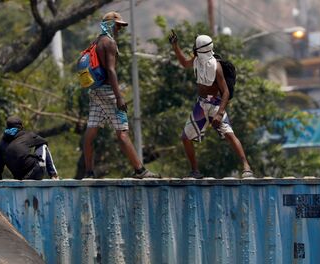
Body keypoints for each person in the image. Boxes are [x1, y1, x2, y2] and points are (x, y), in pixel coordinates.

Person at [80, 11, 159, 179]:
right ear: (110, 25)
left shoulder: (95, 42)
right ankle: (140, 170)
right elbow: (110, 70)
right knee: (122, 131)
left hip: (95, 91)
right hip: (109, 92)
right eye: (118, 26)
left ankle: (89, 172)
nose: (119, 30)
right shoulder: (109, 43)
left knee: (91, 129)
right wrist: (119, 97)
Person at [169, 31, 253, 179]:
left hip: (215, 105)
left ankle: (246, 168)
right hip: (201, 104)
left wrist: (220, 113)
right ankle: (195, 171)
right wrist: (175, 46)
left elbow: (225, 92)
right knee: (185, 137)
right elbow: (183, 63)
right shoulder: (196, 61)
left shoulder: (216, 66)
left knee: (229, 134)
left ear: (198, 49)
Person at [0, 116, 59, 180]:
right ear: (20, 126)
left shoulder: (1, 142)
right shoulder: (27, 135)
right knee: (43, 146)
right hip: (35, 173)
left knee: (2, 154)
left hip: (19, 177)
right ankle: (54, 175)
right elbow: (43, 141)